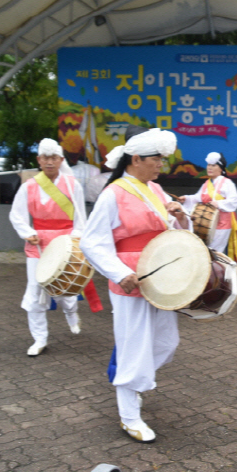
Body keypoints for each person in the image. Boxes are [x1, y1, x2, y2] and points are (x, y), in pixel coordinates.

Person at [80, 128, 190, 443]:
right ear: (137, 159)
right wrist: (118, 273)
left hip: (160, 278)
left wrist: (180, 217)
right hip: (131, 281)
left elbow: (174, 228)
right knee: (134, 348)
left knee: (167, 343)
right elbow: (92, 241)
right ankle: (129, 415)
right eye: (157, 159)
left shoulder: (155, 189)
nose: (161, 165)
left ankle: (133, 382)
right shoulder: (112, 193)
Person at [9, 138, 87, 357]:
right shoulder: (29, 186)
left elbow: (81, 219)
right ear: (39, 160)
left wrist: (75, 240)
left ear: (61, 160)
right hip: (38, 244)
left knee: (64, 290)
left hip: (65, 244)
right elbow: (16, 215)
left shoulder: (73, 185)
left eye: (54, 158)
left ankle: (71, 313)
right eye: (45, 158)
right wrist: (27, 232)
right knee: (35, 289)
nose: (50, 162)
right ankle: (39, 338)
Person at [181, 152, 237, 255]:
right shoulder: (206, 183)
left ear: (221, 168)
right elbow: (198, 198)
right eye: (209, 165)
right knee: (206, 251)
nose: (209, 168)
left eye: (213, 165)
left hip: (222, 223)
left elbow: (234, 201)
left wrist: (219, 204)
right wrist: (186, 199)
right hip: (206, 223)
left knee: (215, 253)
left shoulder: (227, 183)